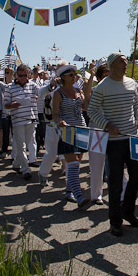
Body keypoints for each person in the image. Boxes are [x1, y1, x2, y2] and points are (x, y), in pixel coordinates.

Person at [87, 52, 138, 237]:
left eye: (125, 61)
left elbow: (136, 104)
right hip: (114, 142)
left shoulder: (131, 83)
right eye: (121, 62)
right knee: (114, 184)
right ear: (111, 65)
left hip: (132, 137)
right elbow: (91, 111)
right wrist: (106, 125)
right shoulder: (102, 87)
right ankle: (115, 222)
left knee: (137, 176)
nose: (125, 64)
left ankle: (128, 211)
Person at [53, 64, 90, 208]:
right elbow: (55, 114)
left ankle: (69, 191)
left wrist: (86, 92)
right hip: (67, 131)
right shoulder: (58, 93)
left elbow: (85, 107)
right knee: (73, 162)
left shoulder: (78, 90)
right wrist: (59, 121)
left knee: (76, 163)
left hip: (81, 128)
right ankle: (79, 196)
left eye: (75, 74)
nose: (75, 76)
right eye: (71, 75)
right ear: (63, 77)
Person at [4, 64, 40, 180]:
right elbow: (5, 104)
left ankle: (16, 163)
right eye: (20, 75)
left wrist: (36, 98)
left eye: (25, 75)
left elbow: (40, 94)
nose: (23, 78)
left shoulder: (33, 85)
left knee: (27, 142)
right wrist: (12, 105)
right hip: (17, 119)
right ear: (16, 75)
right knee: (21, 145)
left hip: (31, 118)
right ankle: (25, 169)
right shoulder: (9, 87)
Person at [85, 63, 108, 204]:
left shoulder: (114, 90)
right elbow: (86, 95)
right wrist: (92, 74)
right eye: (105, 76)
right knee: (96, 165)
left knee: (115, 163)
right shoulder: (94, 90)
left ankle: (122, 191)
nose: (108, 79)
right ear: (99, 78)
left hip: (112, 131)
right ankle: (96, 194)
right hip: (97, 131)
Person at [0, 67, 15, 157]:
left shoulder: (15, 85)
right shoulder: (1, 85)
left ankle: (14, 151)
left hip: (13, 112)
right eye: (7, 73)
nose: (9, 74)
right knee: (5, 132)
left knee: (14, 133)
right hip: (5, 112)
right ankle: (4, 149)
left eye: (11, 73)